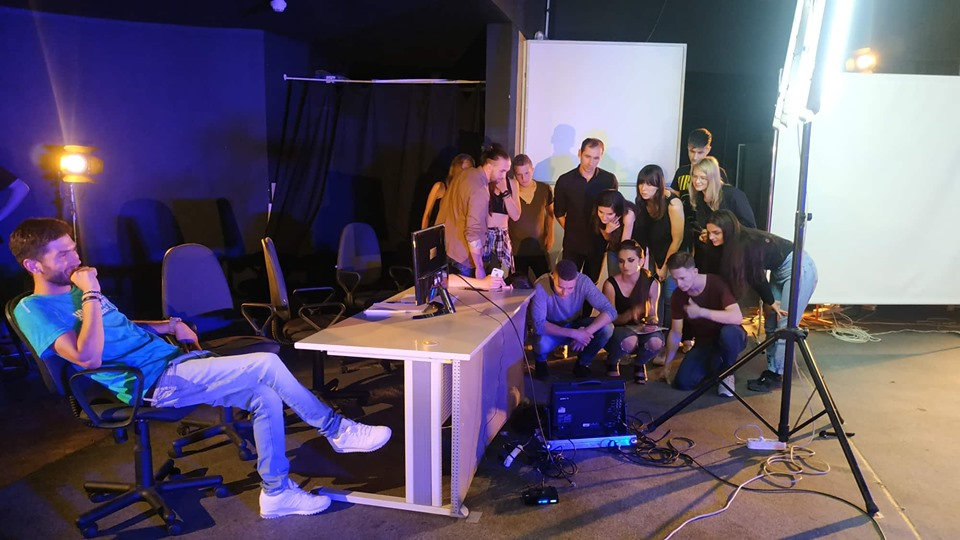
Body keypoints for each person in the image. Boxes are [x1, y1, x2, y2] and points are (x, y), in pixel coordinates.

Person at [8, 218, 392, 520]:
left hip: (175, 363)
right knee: (266, 363)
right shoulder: (33, 309)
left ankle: (276, 493)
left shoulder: (80, 291)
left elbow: (119, 327)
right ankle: (337, 430)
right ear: (32, 265)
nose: (75, 259)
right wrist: (91, 291)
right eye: (62, 254)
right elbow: (87, 357)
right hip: (151, 383)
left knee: (263, 396)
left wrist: (168, 325)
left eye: (73, 249)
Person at [703, 209, 818, 393]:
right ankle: (774, 369)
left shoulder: (745, 243)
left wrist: (770, 301)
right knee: (771, 322)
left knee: (785, 324)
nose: (711, 237)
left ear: (728, 229)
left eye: (716, 233)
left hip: (799, 268)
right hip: (780, 271)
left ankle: (775, 374)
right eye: (709, 232)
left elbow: (756, 276)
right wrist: (770, 302)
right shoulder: (733, 241)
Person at [662, 251, 746, 395]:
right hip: (705, 343)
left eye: (682, 278)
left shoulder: (716, 283)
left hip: (731, 336)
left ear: (695, 272)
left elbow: (737, 317)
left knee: (728, 333)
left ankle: (728, 373)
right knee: (683, 382)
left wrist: (701, 312)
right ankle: (717, 364)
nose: (679, 284)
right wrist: (667, 365)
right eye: (675, 279)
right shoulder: (678, 295)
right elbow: (676, 332)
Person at [528, 259, 616, 380]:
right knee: (541, 342)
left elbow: (610, 311)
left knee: (607, 328)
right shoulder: (541, 285)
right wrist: (575, 334)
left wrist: (586, 332)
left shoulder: (583, 281)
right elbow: (538, 325)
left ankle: (583, 363)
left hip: (575, 323)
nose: (565, 293)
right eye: (560, 287)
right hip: (552, 328)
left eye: (570, 288)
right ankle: (540, 361)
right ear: (552, 277)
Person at [440, 145, 512, 278]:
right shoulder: (480, 189)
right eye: (502, 171)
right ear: (489, 167)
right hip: (463, 257)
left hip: (448, 249)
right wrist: (479, 266)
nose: (504, 177)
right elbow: (473, 232)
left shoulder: (464, 174)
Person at [554, 138, 618, 283]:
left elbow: (612, 210)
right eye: (587, 156)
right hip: (573, 244)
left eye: (596, 158)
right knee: (568, 283)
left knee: (590, 285)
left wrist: (604, 233)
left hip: (597, 244)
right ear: (580, 153)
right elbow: (559, 213)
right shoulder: (565, 180)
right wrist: (573, 230)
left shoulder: (608, 180)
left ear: (601, 157)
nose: (591, 163)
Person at [602, 240, 663, 383]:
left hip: (640, 328)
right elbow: (609, 319)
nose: (625, 266)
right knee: (630, 339)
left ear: (641, 261)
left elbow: (653, 314)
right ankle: (613, 360)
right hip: (618, 330)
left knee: (656, 341)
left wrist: (652, 322)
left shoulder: (652, 283)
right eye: (621, 261)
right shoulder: (611, 284)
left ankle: (639, 363)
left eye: (631, 260)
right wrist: (629, 314)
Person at [634, 164, 684, 324]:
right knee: (654, 294)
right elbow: (645, 235)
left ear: (660, 185)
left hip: (676, 254)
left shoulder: (673, 204)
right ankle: (656, 330)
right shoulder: (642, 202)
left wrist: (664, 266)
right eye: (641, 183)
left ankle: (672, 332)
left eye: (650, 184)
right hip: (656, 252)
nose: (644, 188)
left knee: (670, 295)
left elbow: (678, 239)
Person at [670, 128, 729, 253]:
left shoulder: (718, 173)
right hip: (684, 228)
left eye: (700, 152)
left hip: (708, 230)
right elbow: (674, 200)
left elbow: (722, 203)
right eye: (692, 151)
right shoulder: (681, 172)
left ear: (708, 150)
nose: (695, 157)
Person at [508, 154, 555, 281]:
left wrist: (550, 235)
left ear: (532, 170)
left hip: (539, 248)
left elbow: (551, 214)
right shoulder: (509, 192)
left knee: (545, 282)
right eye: (519, 175)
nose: (524, 178)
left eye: (527, 173)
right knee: (517, 285)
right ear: (514, 174)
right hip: (516, 250)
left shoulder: (544, 189)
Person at [483, 159, 521, 275]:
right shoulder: (483, 182)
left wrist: (504, 191)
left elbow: (516, 216)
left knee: (502, 276)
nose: (503, 173)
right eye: (501, 170)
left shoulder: (512, 183)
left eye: (506, 170)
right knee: (483, 275)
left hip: (502, 235)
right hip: (484, 234)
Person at [421, 154, 475, 230]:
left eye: (470, 170)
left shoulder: (467, 193)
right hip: (436, 232)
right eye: (464, 169)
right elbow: (427, 215)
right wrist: (423, 234)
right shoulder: (440, 187)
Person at [592, 188, 637, 277]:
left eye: (610, 214)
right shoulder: (597, 215)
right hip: (613, 248)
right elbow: (607, 238)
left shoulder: (628, 214)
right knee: (613, 279)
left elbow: (625, 245)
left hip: (631, 251)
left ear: (618, 211)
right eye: (601, 212)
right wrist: (608, 231)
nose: (604, 217)